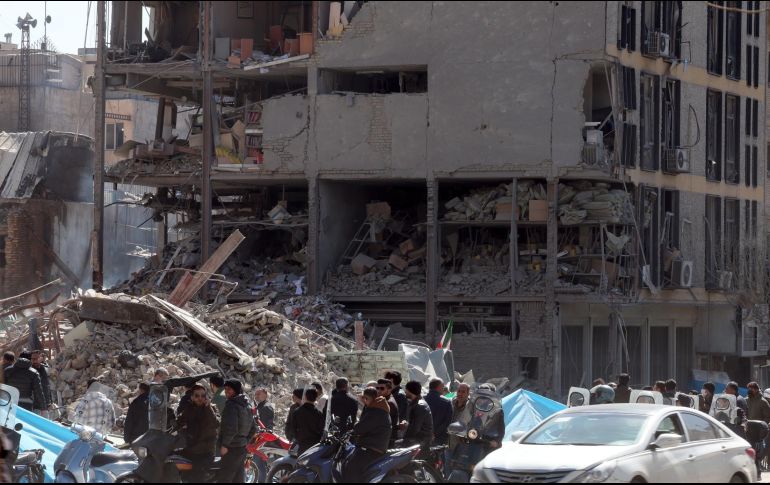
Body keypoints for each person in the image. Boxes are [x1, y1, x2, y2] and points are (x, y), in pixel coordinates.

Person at [341, 388, 392, 483]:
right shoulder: (378, 407)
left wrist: (353, 428)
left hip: (372, 449)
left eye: (365, 398)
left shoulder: (376, 411)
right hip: (372, 446)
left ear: (370, 398)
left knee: (351, 468)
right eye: (363, 398)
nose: (363, 400)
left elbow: (360, 428)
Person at [217, 379, 257, 484]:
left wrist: (225, 445)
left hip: (231, 448)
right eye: (225, 389)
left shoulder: (232, 405)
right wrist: (245, 441)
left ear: (236, 390)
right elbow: (254, 428)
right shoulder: (246, 405)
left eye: (229, 389)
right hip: (241, 449)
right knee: (238, 479)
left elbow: (231, 428)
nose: (226, 391)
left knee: (225, 478)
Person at [178, 384, 220, 480]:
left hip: (205, 452)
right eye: (197, 396)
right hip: (191, 448)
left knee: (196, 477)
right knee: (171, 459)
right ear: (192, 397)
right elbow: (179, 421)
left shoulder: (211, 408)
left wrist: (207, 407)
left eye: (203, 395)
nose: (200, 398)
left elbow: (216, 423)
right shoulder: (189, 408)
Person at [400, 380, 433, 447]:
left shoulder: (419, 406)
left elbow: (415, 429)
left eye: (406, 390)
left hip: (420, 442)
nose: (405, 392)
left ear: (409, 390)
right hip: (418, 440)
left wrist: (404, 441)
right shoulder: (416, 403)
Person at [293, 388, 324, 454]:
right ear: (316, 398)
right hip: (314, 445)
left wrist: (298, 438)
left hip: (302, 444)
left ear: (305, 397)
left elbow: (293, 428)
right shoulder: (318, 413)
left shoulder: (297, 411)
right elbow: (321, 429)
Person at [425, 379, 452, 445]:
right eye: (443, 387)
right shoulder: (446, 402)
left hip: (423, 437)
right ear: (439, 387)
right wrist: (435, 433)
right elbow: (447, 421)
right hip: (439, 438)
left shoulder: (422, 400)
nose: (443, 389)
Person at [376, 379, 399, 447]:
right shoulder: (384, 400)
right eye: (377, 388)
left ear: (389, 390)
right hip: (384, 438)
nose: (379, 390)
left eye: (382, 388)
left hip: (387, 440)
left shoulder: (388, 402)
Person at [30, 350, 52, 416]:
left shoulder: (45, 369)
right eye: (33, 359)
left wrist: (49, 402)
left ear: (41, 358)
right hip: (33, 406)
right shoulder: (28, 371)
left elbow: (47, 386)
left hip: (45, 405)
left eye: (37, 358)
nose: (35, 361)